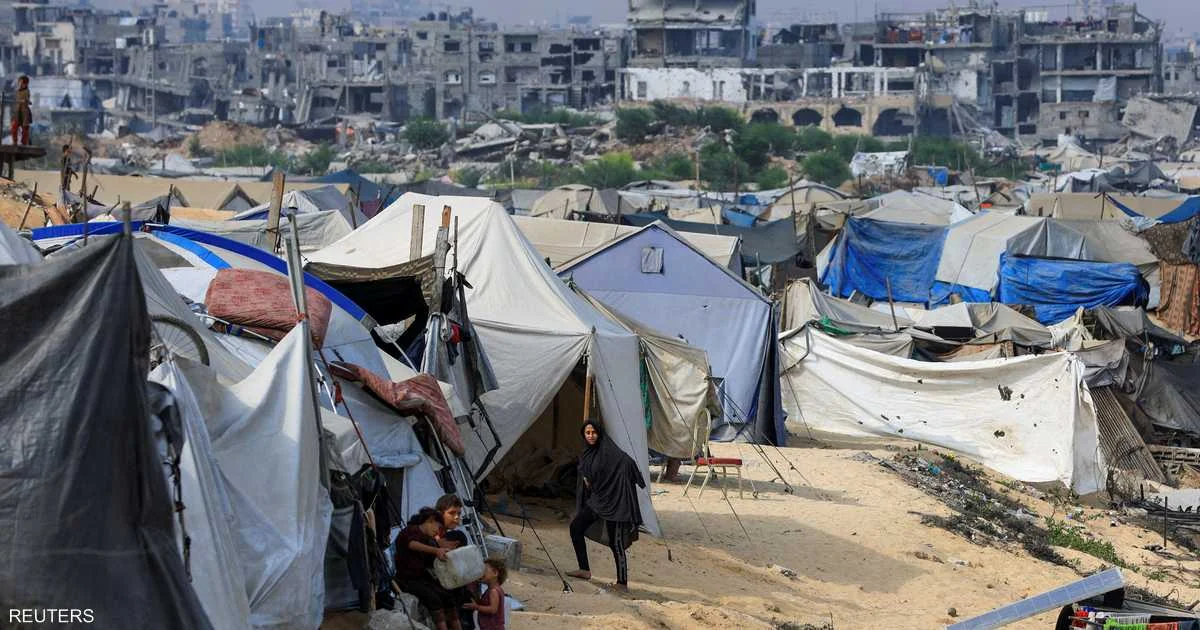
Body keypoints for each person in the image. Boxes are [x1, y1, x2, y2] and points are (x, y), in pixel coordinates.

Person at [566, 421, 645, 592]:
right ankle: (584, 569)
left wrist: (630, 480)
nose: (591, 436)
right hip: (598, 500)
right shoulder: (588, 453)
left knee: (616, 543)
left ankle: (622, 583)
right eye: (587, 433)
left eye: (594, 432)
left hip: (616, 503)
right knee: (576, 527)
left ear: (600, 433)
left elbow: (628, 463)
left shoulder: (610, 452)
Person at [394, 508, 462, 630]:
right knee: (433, 599)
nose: (437, 531)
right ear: (430, 520)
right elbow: (411, 544)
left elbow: (431, 561)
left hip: (423, 578)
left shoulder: (428, 539)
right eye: (437, 527)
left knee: (448, 597)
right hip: (407, 579)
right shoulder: (410, 531)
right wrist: (436, 550)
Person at [464, 558, 506, 630]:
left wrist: (476, 607)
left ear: (495, 573)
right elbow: (484, 604)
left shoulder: (494, 591)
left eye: (484, 570)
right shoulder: (490, 590)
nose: (481, 573)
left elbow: (493, 609)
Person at [12, 75, 32, 146]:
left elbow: (27, 99)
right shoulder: (17, 91)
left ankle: (24, 143)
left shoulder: (27, 91)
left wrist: (26, 101)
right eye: (19, 82)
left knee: (25, 129)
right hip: (17, 112)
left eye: (21, 82)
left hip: (24, 112)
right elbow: (16, 100)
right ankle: (15, 142)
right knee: (14, 127)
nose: (20, 84)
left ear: (25, 84)